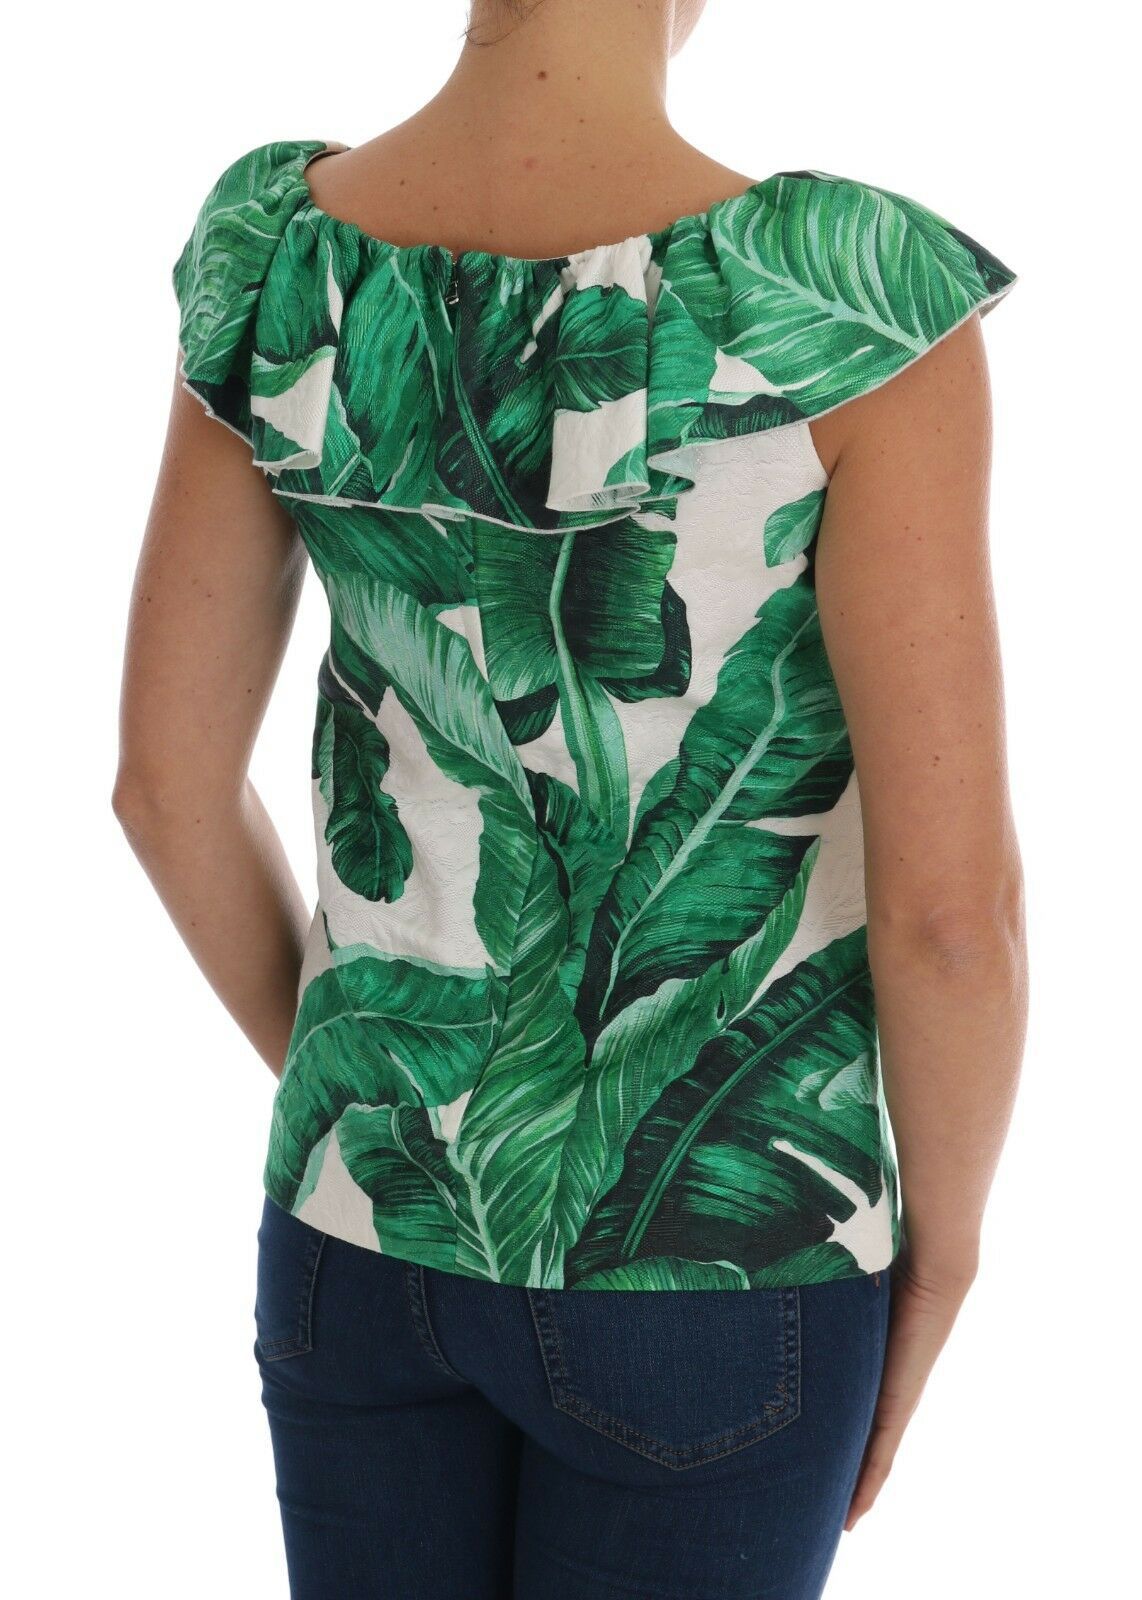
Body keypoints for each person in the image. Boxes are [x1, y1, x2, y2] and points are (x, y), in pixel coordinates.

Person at [113, 1, 1028, 1594]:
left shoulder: (279, 253)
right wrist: (941, 1259)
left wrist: (408, 1119)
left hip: (353, 1245)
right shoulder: (837, 297)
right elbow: (950, 916)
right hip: (717, 1273)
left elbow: (164, 792)